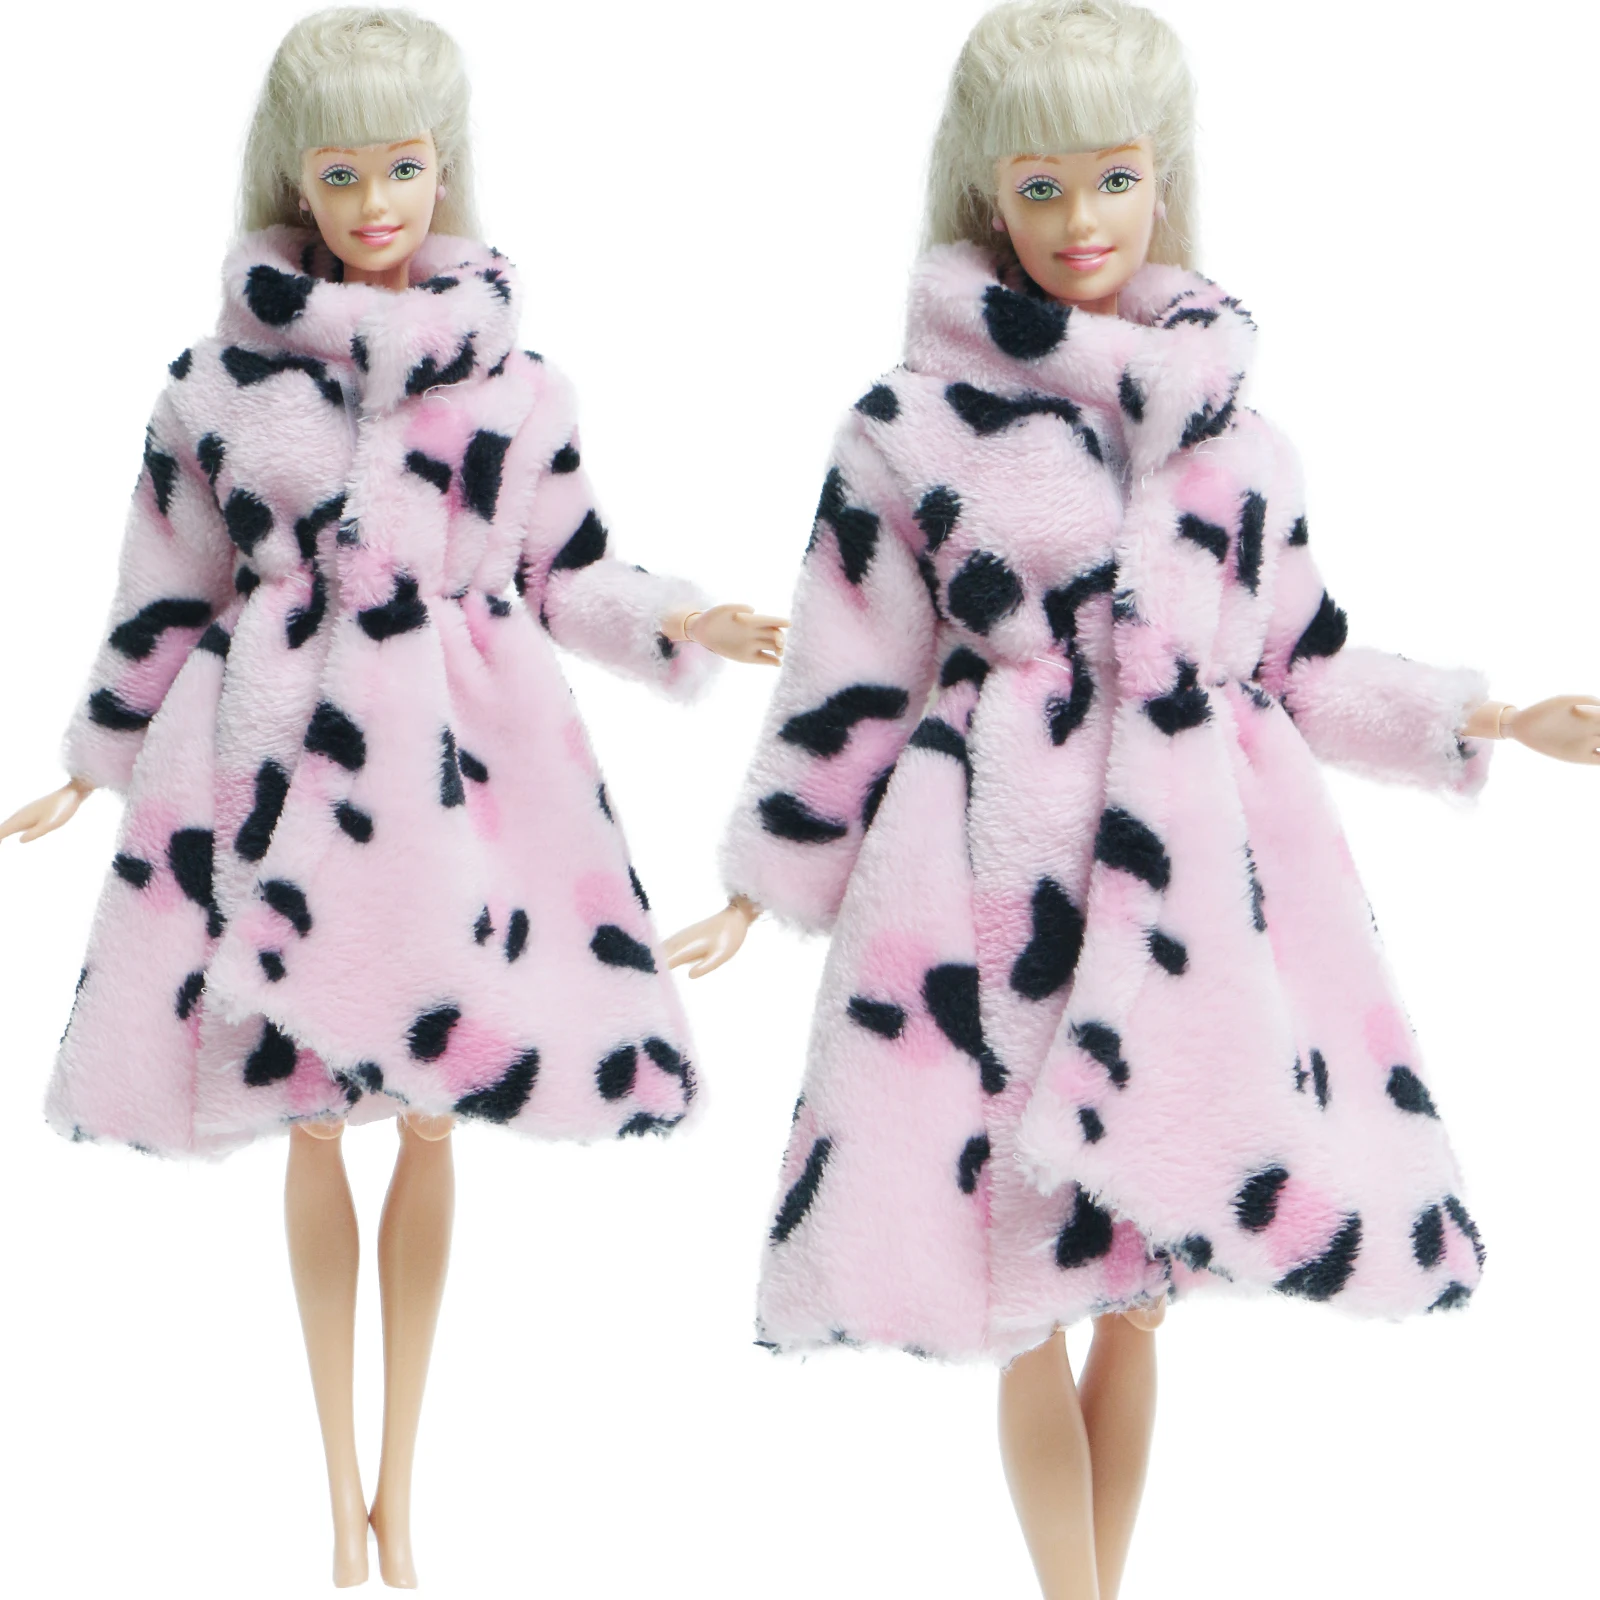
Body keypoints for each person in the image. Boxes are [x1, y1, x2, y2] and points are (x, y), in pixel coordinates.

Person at [665, 3, 1600, 1595]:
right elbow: (847, 668)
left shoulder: (1240, 442)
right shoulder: (908, 427)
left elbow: (1300, 666)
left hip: (1188, 898)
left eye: (1114, 178)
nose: (1082, 222)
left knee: (1144, 1286)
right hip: (988, 878)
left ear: (1163, 175)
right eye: (1040, 188)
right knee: (1029, 1277)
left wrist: (1490, 717)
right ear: (986, 194)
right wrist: (768, 883)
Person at [0, 7, 783, 1587]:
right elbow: (164, 591)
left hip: (458, 780)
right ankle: (333, 1497)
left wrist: (678, 616)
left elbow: (566, 574)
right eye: (343, 170)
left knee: (430, 1119)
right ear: (294, 175)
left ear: (444, 165)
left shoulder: (518, 388)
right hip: (270, 765)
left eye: (404, 166)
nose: (375, 201)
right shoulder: (216, 386)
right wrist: (91, 762)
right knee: (308, 1122)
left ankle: (401, 1497)